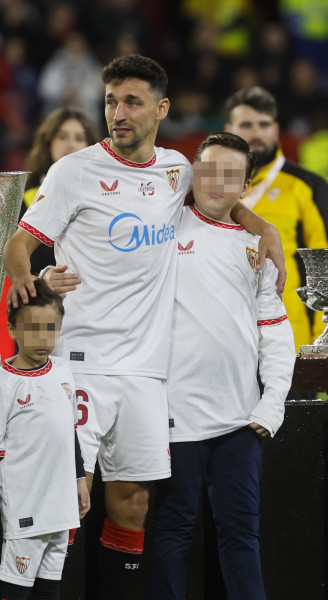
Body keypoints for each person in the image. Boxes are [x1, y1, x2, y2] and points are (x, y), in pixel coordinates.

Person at [3, 54, 285, 599]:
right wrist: (29, 281)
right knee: (62, 499)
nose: (118, 113)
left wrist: (260, 223)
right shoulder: (73, 172)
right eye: (110, 101)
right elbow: (20, 243)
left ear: (162, 109)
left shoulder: (177, 170)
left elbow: (223, 199)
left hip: (147, 375)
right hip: (83, 360)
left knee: (131, 506)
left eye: (132, 102)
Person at [147, 132, 295, 599]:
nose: (217, 182)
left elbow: (274, 332)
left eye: (231, 175)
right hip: (173, 417)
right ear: (192, 172)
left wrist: (272, 404)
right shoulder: (161, 228)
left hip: (240, 422)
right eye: (208, 170)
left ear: (246, 186)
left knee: (241, 537)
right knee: (171, 534)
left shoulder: (257, 250)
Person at [0, 278, 89, 600]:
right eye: (33, 328)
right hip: (26, 503)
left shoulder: (63, 370)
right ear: (12, 330)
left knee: (51, 585)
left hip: (62, 502)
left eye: (51, 328)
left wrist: (80, 478)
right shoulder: (3, 383)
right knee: (16, 585)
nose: (43, 338)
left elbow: (70, 431)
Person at [224, 86, 328, 354]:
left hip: (291, 338)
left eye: (264, 124)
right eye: (246, 124)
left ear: (276, 128)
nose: (257, 133)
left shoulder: (307, 186)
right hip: (227, 335)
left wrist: (320, 341)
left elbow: (324, 263)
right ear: (228, 128)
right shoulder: (210, 186)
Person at [22, 107, 100, 276]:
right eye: (62, 136)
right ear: (48, 142)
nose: (71, 144)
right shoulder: (25, 196)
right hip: (43, 296)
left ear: (90, 146)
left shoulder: (105, 193)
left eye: (79, 138)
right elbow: (24, 258)